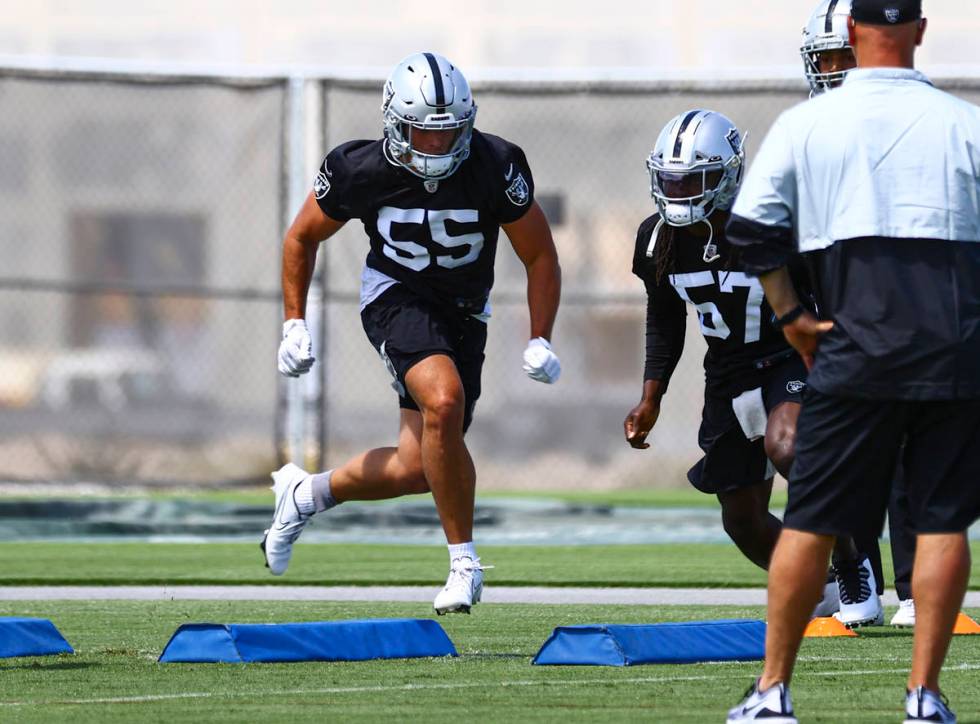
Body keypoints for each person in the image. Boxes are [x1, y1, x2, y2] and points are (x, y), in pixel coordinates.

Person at [725, 1, 980, 721]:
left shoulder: (810, 123)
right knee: (941, 525)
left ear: (850, 37)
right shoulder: (966, 123)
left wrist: (790, 316)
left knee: (810, 519)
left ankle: (773, 693)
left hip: (854, 339)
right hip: (952, 344)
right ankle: (924, 696)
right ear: (922, 34)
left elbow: (750, 230)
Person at [263, 51, 562, 615]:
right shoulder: (359, 169)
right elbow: (301, 236)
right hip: (395, 295)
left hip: (465, 312)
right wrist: (294, 321)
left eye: (448, 134)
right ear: (394, 125)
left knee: (419, 465)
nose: (436, 147)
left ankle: (305, 495)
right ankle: (464, 564)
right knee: (444, 402)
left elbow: (539, 253)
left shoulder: (497, 164)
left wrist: (539, 335)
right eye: (422, 134)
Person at [624, 109, 807, 572]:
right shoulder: (657, 238)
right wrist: (651, 397)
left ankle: (852, 568)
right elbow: (664, 317)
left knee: (789, 448)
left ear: (726, 177)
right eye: (669, 180)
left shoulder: (772, 223)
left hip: (790, 357)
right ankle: (820, 584)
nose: (677, 193)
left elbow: (824, 296)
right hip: (729, 374)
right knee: (741, 519)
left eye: (692, 181)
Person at [800, 0, 889, 630]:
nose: (837, 73)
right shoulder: (806, 133)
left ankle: (905, 588)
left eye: (848, 59)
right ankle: (869, 582)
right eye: (828, 60)